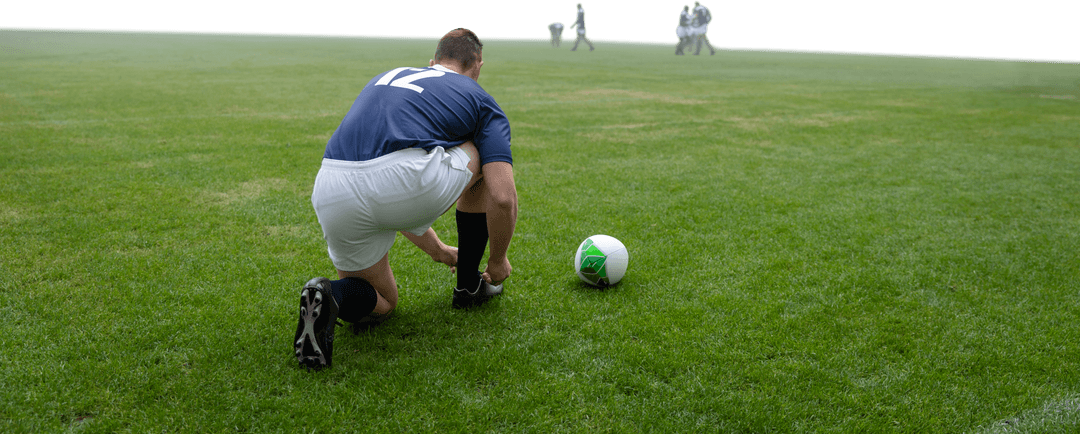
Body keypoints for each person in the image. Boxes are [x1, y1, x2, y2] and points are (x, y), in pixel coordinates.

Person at [295, 28, 518, 371]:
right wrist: (498, 260)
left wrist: (439, 250)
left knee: (383, 302)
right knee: (482, 152)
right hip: (401, 184)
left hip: (331, 184)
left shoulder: (389, 75)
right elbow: (503, 198)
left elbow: (382, 178)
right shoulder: (479, 97)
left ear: (432, 62)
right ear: (477, 66)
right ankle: (469, 286)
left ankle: (329, 295)